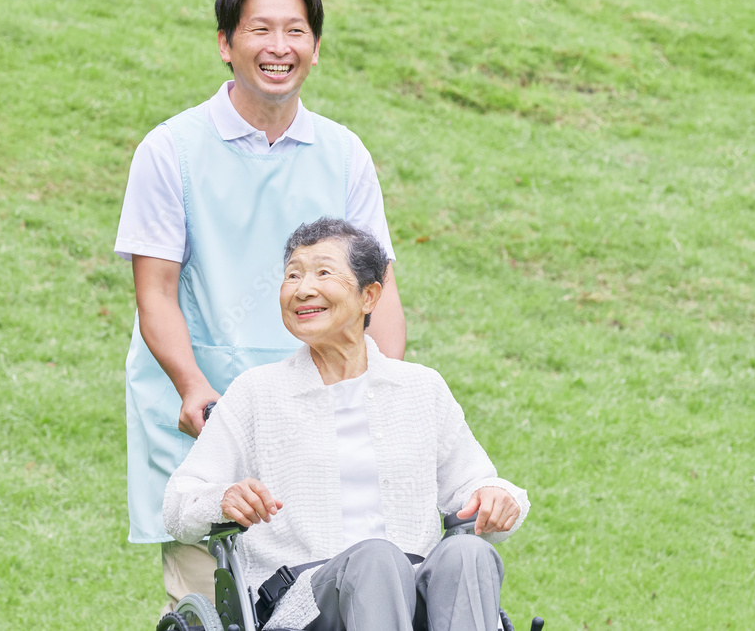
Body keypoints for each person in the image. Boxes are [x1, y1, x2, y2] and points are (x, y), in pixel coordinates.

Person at [113, 0, 406, 617]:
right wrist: (192, 386)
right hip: (207, 416)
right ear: (226, 43)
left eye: (295, 31)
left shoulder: (344, 154)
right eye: (261, 30)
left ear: (316, 47)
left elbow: (376, 292)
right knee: (217, 602)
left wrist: (392, 392)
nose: (280, 47)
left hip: (321, 416)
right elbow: (155, 292)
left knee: (334, 595)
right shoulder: (171, 150)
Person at [164, 218, 529, 631]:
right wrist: (223, 498)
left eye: (323, 272)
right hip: (307, 602)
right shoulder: (257, 393)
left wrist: (496, 497)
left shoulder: (421, 388)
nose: (303, 289)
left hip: (415, 595)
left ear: (369, 296)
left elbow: (474, 486)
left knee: (470, 554)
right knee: (375, 557)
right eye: (292, 275)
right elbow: (179, 503)